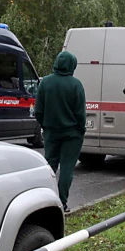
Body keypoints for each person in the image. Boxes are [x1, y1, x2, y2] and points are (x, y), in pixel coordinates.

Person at [35, 51, 86, 213]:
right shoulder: (76, 84)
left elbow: (38, 111)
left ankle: (45, 202)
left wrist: (46, 125)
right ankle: (62, 203)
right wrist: (80, 128)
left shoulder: (45, 83)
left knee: (50, 166)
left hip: (51, 132)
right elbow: (80, 113)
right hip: (72, 134)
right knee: (67, 168)